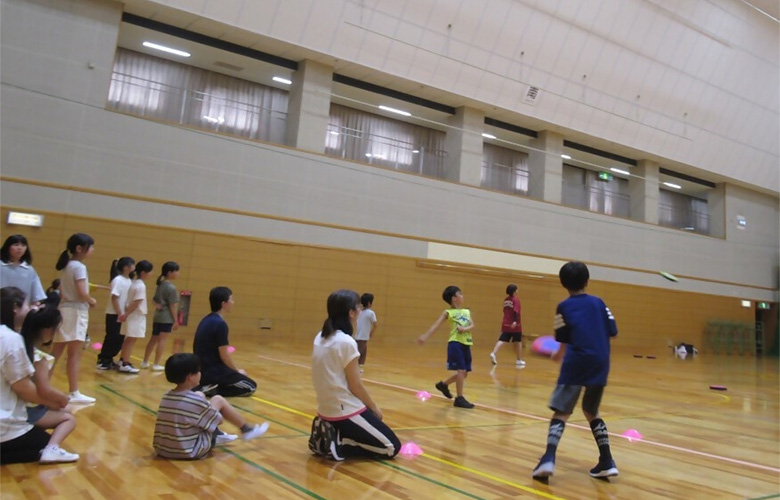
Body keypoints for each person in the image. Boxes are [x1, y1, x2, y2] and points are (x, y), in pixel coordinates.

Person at [532, 261, 619, 482]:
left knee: (561, 412)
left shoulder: (563, 307)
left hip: (576, 362)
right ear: (587, 281)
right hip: (600, 362)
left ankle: (548, 459)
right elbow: (613, 331)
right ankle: (607, 461)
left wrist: (556, 355)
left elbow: (562, 342)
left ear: (563, 284)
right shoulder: (599, 303)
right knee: (591, 410)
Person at [309, 289, 400, 461]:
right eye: (358, 307)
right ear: (351, 312)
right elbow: (355, 386)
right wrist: (374, 408)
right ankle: (340, 443)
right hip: (344, 409)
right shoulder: (346, 342)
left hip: (325, 409)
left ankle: (333, 434)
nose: (360, 310)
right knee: (391, 447)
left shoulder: (320, 337)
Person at [0, 287, 75, 464]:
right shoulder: (10, 339)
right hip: (4, 424)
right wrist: (58, 401)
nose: (31, 308)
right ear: (15, 307)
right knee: (43, 444)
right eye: (27, 305)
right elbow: (23, 388)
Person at [152, 353, 269, 460]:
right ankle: (246, 429)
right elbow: (219, 420)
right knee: (218, 400)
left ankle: (224, 433)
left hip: (163, 450)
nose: (200, 373)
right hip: (189, 451)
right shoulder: (195, 400)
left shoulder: (166, 396)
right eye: (198, 371)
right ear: (190, 376)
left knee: (200, 395)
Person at [20, 303, 79, 463]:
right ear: (48, 331)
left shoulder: (20, 348)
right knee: (69, 419)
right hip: (28, 411)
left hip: (20, 406)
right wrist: (63, 398)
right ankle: (51, 448)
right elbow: (44, 389)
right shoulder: (39, 358)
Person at [51, 233, 97, 404]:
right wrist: (91, 300)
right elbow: (82, 292)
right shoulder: (79, 267)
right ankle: (74, 391)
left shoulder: (67, 265)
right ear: (79, 248)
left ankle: (41, 384)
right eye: (90, 247)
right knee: (74, 354)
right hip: (76, 312)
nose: (92, 250)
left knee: (56, 352)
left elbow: (63, 292)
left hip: (64, 310)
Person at [417, 285, 475, 409]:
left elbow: (472, 325)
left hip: (466, 343)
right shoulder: (448, 312)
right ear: (454, 298)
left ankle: (443, 385)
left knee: (464, 373)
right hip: (455, 343)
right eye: (460, 294)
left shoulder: (466, 311)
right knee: (461, 371)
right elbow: (436, 325)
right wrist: (425, 336)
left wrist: (464, 329)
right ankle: (459, 398)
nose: (462, 296)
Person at [192, 287, 256, 397]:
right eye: (231, 299)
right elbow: (224, 355)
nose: (233, 302)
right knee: (250, 386)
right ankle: (208, 389)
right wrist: (237, 371)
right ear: (224, 304)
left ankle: (208, 386)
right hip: (213, 371)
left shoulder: (206, 319)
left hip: (202, 369)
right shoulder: (220, 324)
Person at [97, 257, 135, 370]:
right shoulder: (118, 280)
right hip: (114, 314)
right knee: (112, 337)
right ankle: (103, 360)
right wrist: (119, 313)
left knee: (119, 338)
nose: (134, 267)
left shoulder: (129, 280)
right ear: (126, 267)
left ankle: (109, 359)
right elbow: (115, 298)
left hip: (122, 315)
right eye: (133, 264)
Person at [117, 260, 154, 374]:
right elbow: (137, 302)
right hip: (135, 315)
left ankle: (122, 360)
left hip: (132, 314)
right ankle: (125, 363)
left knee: (129, 339)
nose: (151, 274)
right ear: (143, 273)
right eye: (150, 272)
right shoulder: (140, 285)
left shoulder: (134, 283)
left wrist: (126, 313)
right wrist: (126, 314)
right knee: (131, 339)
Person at [142, 261, 180, 370]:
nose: (178, 273)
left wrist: (158, 306)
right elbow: (173, 305)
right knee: (162, 340)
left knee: (153, 339)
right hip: (166, 318)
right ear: (169, 273)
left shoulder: (160, 285)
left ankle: (145, 361)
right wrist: (176, 320)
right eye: (176, 271)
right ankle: (156, 364)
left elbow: (154, 300)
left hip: (157, 316)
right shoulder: (171, 288)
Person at [0, 235, 47, 306]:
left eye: (23, 245)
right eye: (16, 245)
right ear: (7, 247)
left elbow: (37, 294)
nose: (20, 248)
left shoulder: (29, 270)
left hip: (21, 308)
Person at [489, 284, 525, 368]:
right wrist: (515, 321)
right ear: (514, 291)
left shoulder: (506, 300)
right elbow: (516, 311)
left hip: (506, 323)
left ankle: (494, 353)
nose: (517, 291)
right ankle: (519, 360)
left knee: (502, 340)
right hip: (515, 325)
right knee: (518, 342)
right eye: (517, 289)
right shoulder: (516, 300)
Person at [355, 293, 377, 373]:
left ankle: (358, 367)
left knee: (362, 352)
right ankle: (355, 368)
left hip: (357, 335)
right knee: (360, 353)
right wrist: (371, 333)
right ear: (369, 303)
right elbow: (375, 324)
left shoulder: (359, 311)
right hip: (363, 336)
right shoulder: (370, 313)